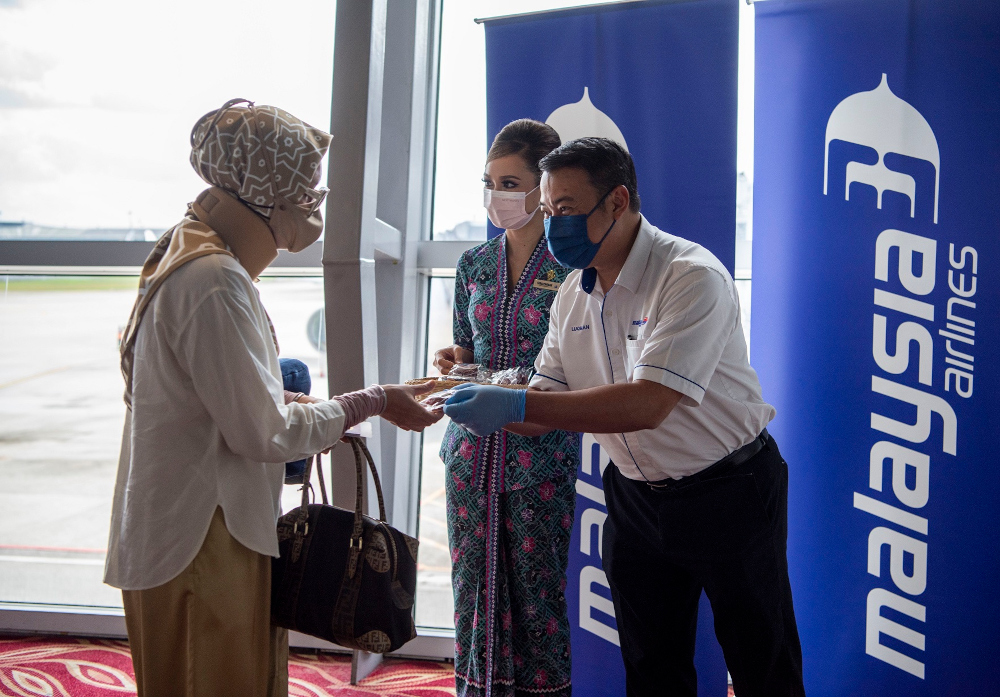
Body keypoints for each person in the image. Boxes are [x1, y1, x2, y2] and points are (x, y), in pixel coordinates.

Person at [444, 137, 805, 697]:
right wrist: (464, 396)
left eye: (565, 209)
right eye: (547, 209)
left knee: (762, 658)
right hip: (635, 497)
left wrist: (517, 403)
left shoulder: (689, 276)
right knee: (651, 663)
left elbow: (647, 404)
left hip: (729, 490)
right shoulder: (572, 295)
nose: (552, 224)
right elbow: (543, 407)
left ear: (617, 200)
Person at [104, 98, 440, 697]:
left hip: (198, 526)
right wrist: (377, 400)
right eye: (305, 190)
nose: (314, 204)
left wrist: (301, 404)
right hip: (201, 539)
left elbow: (212, 397)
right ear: (264, 192)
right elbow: (266, 434)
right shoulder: (215, 281)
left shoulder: (193, 251)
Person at [433, 119, 580, 697]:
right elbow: (465, 352)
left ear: (542, 189)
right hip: (470, 454)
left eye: (511, 182)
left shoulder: (572, 270)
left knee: (536, 594)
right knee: (472, 586)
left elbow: (583, 365)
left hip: (537, 452)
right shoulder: (472, 265)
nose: (498, 195)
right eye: (490, 182)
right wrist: (453, 362)